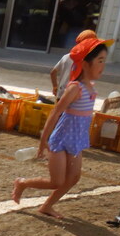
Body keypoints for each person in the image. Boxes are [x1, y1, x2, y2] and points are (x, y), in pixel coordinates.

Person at [13, 37, 109, 218]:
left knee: (73, 178)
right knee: (56, 181)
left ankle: (46, 206)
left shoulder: (91, 88)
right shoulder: (75, 88)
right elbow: (55, 113)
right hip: (61, 139)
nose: (103, 65)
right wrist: (43, 141)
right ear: (85, 64)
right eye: (100, 61)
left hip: (77, 140)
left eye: (105, 61)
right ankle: (22, 183)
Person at [50, 29, 96, 96]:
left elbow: (53, 73)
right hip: (74, 97)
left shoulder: (66, 57)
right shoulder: (86, 62)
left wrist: (55, 87)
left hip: (60, 94)